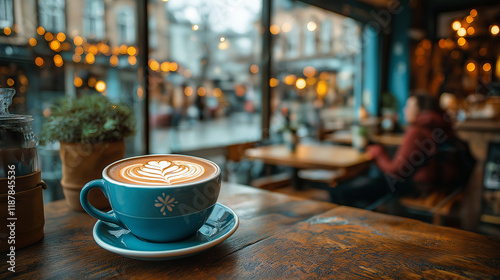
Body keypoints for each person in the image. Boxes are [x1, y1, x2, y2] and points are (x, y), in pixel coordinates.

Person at [331, 93, 459, 207]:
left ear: (420, 110)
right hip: (436, 184)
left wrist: (378, 153)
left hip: (416, 187)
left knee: (340, 191)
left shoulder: (417, 131)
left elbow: (395, 171)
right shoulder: (439, 126)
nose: (404, 110)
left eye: (409, 106)